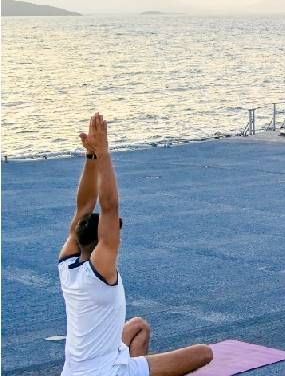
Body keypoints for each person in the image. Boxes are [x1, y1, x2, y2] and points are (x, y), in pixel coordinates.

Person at [59, 113, 213, 376]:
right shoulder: (101, 269)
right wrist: (105, 153)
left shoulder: (68, 264)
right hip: (104, 373)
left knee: (138, 328)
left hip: (76, 371)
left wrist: (91, 157)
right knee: (204, 353)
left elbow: (85, 205)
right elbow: (109, 205)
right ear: (101, 242)